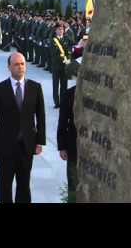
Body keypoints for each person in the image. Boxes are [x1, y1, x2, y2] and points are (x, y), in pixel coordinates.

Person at [0, 52, 46, 203]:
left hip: (26, 146)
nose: (20, 67)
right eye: (16, 64)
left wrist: (40, 141)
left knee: (24, 185)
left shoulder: (35, 88)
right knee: (5, 186)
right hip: (5, 146)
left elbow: (41, 116)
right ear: (9, 67)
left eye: (22, 64)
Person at [57, 62, 79, 203]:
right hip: (73, 145)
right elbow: (62, 122)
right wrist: (62, 146)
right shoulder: (69, 94)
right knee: (73, 183)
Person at [50, 23, 71, 108]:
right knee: (55, 85)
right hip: (56, 66)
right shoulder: (53, 40)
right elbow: (54, 53)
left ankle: (63, 101)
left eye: (62, 29)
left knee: (64, 85)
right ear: (56, 30)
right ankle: (56, 102)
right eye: (59, 29)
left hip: (64, 66)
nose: (61, 31)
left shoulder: (66, 39)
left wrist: (68, 58)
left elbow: (69, 50)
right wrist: (64, 59)